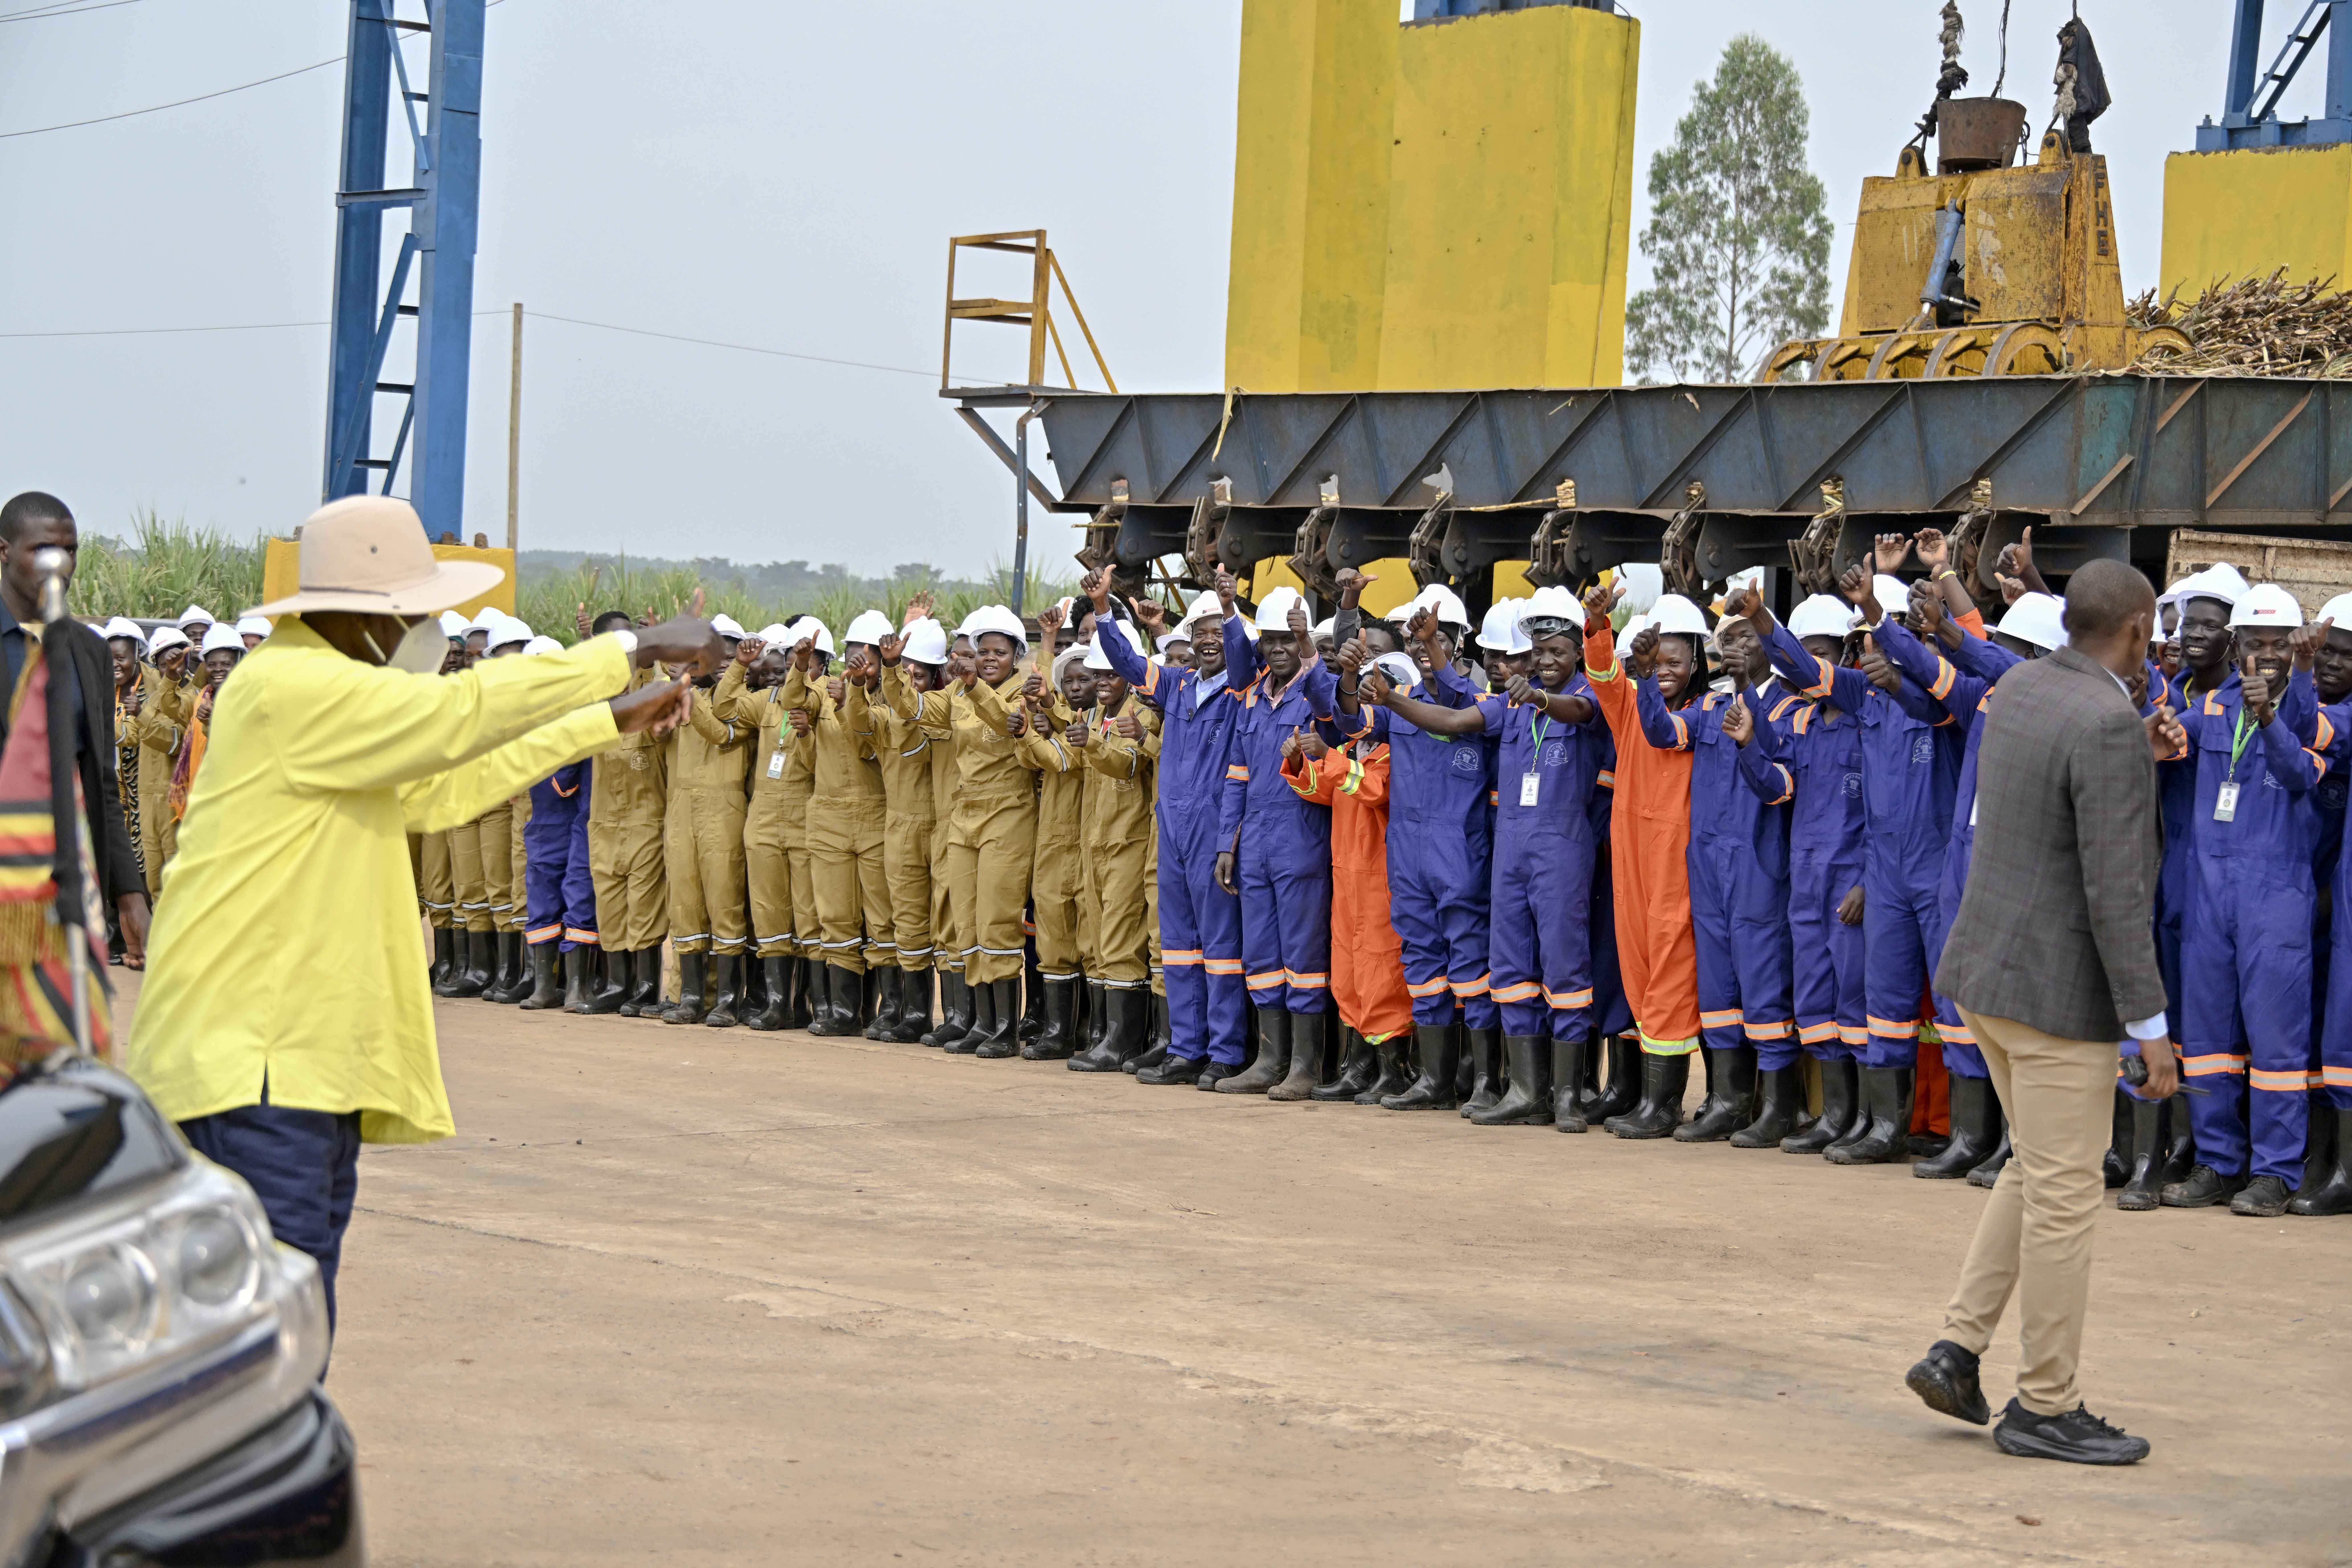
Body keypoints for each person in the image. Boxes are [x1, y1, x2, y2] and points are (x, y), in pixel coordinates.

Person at [126, 495, 712, 1331]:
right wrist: (630, 651)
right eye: (418, 612)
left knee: (281, 1330)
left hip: (300, 1061)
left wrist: (603, 720)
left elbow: (440, 787)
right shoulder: (292, 687)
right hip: (252, 1064)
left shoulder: (329, 699)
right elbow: (454, 717)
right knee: (258, 1341)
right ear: (367, 617)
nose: (428, 630)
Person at [1905, 556, 2179, 1467]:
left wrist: (2137, 754)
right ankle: (2045, 1405)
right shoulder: (2106, 719)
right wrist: (2150, 1027)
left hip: (1986, 976)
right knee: (2067, 1199)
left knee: (2035, 1168)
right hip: (2058, 996)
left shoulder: (2025, 687)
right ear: (2137, 631)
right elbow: (2116, 892)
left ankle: (1957, 1349)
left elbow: (2054, 799)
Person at [1759, 568, 1962, 1164]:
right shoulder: (1864, 696)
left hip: (1934, 865)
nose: (1870, 647)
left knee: (1951, 1008)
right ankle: (1883, 1126)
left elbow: (1945, 679)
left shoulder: (1942, 697)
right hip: (1886, 867)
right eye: (1866, 637)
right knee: (1886, 1003)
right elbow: (1805, 671)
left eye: (1880, 634)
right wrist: (1760, 618)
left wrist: (1882, 614)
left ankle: (1973, 1135)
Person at [2164, 585, 2328, 1216]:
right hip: (2209, 891)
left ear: (2296, 647)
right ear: (2235, 647)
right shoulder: (2210, 706)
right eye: (2255, 644)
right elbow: (2168, 750)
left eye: (2279, 645)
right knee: (2208, 1035)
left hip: (2276, 897)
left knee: (2277, 1041)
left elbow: (2299, 772)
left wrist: (2268, 716)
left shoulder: (2313, 708)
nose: (2267, 656)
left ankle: (2277, 1172)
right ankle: (2218, 1162)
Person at [1326, 587, 1495, 1112]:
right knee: (1422, 959)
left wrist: (1432, 654)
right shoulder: (1399, 704)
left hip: (1457, 851)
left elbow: (1451, 702)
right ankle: (1434, 1079)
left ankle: (1486, 1080)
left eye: (1439, 639)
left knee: (1469, 964)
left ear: (1460, 644)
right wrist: (1351, 676)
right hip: (1410, 852)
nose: (1425, 647)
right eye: (1418, 639)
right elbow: (1354, 722)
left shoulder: (1475, 700)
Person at [1088, 574, 1247, 1086]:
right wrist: (1102, 607)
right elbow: (1129, 664)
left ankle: (1225, 1051)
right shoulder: (1177, 685)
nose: (1207, 641)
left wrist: (1228, 611)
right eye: (1200, 632)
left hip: (1214, 826)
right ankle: (1186, 1048)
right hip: (1172, 828)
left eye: (1216, 633)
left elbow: (1242, 651)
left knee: (1220, 947)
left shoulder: (1242, 687)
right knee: (1178, 945)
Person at [1734, 593, 1868, 1152]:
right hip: (1807, 879)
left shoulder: (1867, 718)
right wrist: (1746, 745)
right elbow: (1775, 784)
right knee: (1814, 996)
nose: (1806, 667)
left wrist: (1867, 880)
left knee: (1856, 997)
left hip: (1849, 877)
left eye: (1822, 655)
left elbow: (1885, 815)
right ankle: (1834, 1114)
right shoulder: (1806, 724)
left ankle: (1866, 1119)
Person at [0, 504, 150, 985]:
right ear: (3, 552)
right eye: (45, 550)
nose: (60, 564)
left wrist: (129, 893)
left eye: (70, 551)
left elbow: (102, 782)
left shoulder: (88, 652)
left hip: (65, 897)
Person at [1577, 584, 1706, 1136]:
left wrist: (1648, 679)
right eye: (1658, 660)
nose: (1666, 669)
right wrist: (1597, 623)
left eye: (1676, 661)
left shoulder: (1704, 713)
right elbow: (1605, 675)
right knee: (1636, 966)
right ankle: (1642, 1097)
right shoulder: (1628, 704)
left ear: (1696, 661)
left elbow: (1661, 728)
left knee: (1671, 973)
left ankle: (1662, 1105)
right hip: (1632, 855)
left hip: (1675, 860)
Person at [1216, 585, 1339, 1097]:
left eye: (1288, 640)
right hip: (1257, 842)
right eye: (1270, 641)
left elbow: (1335, 705)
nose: (1279, 649)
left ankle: (1305, 1067)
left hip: (1302, 838)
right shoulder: (1254, 699)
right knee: (1262, 951)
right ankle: (1270, 1060)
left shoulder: (1315, 690)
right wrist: (1228, 844)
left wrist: (1309, 644)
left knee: (1302, 953)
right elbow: (1237, 776)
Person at [1279, 648, 1416, 1103]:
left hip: (1380, 878)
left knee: (1381, 970)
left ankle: (1391, 1071)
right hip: (1348, 876)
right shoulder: (1352, 749)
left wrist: (1332, 760)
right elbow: (1324, 791)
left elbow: (1374, 791)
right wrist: (1300, 764)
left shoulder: (1402, 752)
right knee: (1349, 970)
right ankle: (1358, 1068)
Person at [1068, 617, 1159, 1071]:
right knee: (1098, 940)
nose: (1103, 683)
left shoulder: (1139, 714)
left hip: (1127, 841)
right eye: (1098, 675)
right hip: (1095, 842)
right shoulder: (1091, 716)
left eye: (1110, 675)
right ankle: (1105, 1034)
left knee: (1122, 939)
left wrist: (1094, 748)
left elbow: (1127, 766)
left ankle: (1123, 1042)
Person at [862, 608, 951, 1042]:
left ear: (935, 676)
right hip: (900, 826)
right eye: (905, 670)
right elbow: (861, 722)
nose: (909, 678)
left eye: (919, 672)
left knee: (949, 922)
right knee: (909, 922)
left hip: (942, 826)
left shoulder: (942, 707)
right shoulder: (887, 712)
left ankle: (957, 1017)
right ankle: (915, 1015)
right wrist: (860, 687)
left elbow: (908, 702)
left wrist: (894, 669)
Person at [662, 615, 752, 1026]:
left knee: (725, 901)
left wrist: (684, 690)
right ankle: (691, 996)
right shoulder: (684, 694)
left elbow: (719, 732)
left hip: (724, 808)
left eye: (730, 657)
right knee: (685, 901)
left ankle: (727, 1000)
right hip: (682, 807)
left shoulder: (743, 702)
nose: (721, 665)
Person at [582, 608, 670, 1017]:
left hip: (644, 820)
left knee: (645, 906)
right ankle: (617, 984)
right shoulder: (595, 698)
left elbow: (665, 692)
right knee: (612, 905)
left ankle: (646, 986)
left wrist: (654, 651)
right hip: (604, 821)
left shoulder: (649, 692)